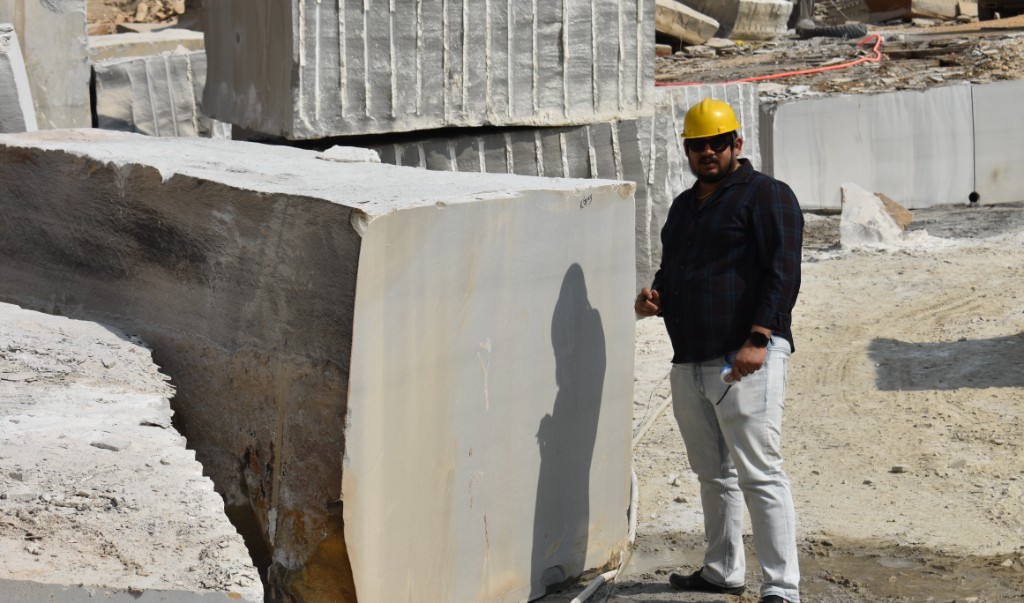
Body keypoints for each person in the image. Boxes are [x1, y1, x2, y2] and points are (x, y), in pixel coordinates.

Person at [634, 98, 803, 603]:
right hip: (688, 358)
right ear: (687, 150)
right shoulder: (685, 206)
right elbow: (678, 268)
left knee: (759, 473)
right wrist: (655, 295)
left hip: (743, 356)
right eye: (696, 145)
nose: (706, 153)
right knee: (713, 474)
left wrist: (759, 338)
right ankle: (722, 569)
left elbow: (783, 272)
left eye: (716, 143)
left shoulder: (766, 196)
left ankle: (781, 587)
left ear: (736, 144)